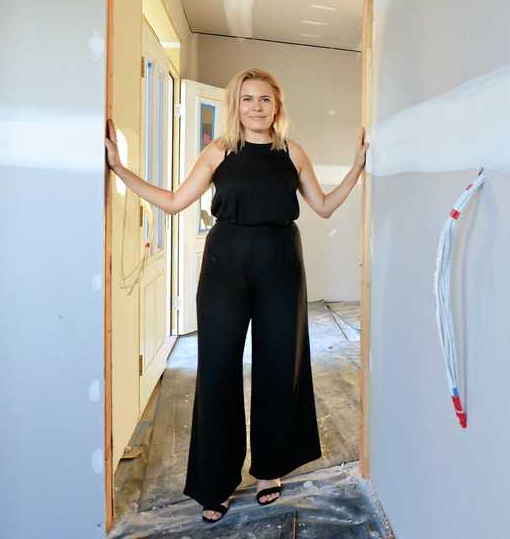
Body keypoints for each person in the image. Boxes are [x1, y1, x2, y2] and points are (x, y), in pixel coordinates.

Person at [104, 68, 368, 522]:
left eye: (265, 99)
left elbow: (322, 207)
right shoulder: (219, 151)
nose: (256, 107)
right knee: (218, 368)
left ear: (277, 106)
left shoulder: (293, 153)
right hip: (225, 265)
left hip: (282, 263)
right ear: (235, 106)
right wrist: (118, 168)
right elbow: (172, 201)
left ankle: (270, 469)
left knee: (278, 364)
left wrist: (357, 167)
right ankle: (216, 481)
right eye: (247, 99)